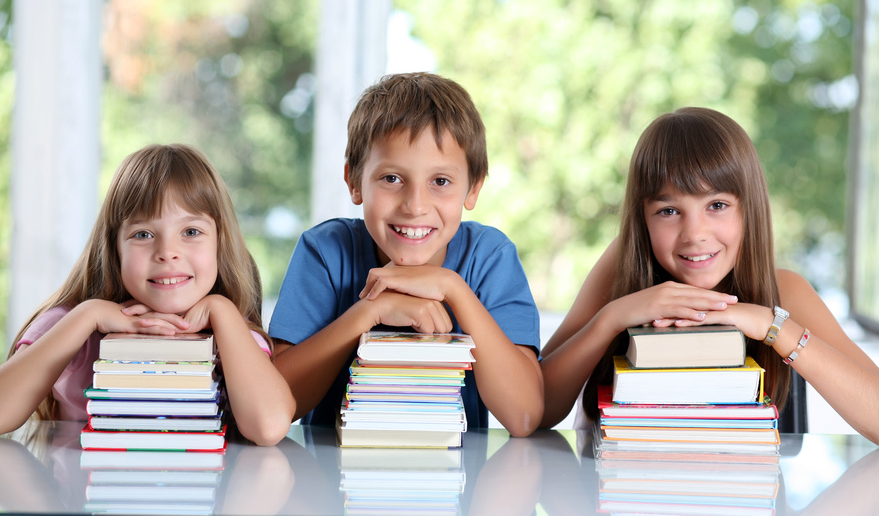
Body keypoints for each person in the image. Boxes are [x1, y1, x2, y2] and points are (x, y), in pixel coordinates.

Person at [539, 107, 879, 442]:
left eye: (716, 205)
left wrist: (769, 325)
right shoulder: (622, 265)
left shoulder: (784, 291)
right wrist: (611, 317)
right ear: (642, 218)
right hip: (622, 486)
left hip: (749, 492)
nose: (694, 234)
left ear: (750, 208)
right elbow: (538, 407)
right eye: (668, 211)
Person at [269, 72, 544, 436]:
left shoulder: (489, 257)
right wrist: (370, 311)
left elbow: (524, 415)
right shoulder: (326, 251)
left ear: (473, 189)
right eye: (392, 179)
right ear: (354, 182)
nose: (415, 206)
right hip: (332, 479)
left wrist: (453, 288)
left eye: (440, 182)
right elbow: (275, 403)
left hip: (454, 481)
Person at [0, 144, 295, 445]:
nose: (167, 253)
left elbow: (269, 427)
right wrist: (89, 314)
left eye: (191, 232)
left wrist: (221, 309)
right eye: (143, 234)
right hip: (81, 489)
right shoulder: (71, 323)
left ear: (220, 242)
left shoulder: (232, 334)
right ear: (115, 249)